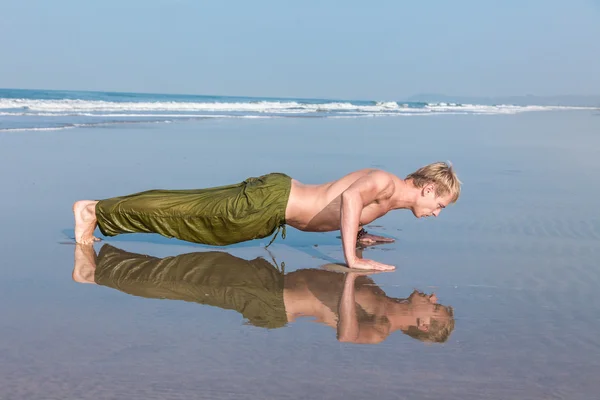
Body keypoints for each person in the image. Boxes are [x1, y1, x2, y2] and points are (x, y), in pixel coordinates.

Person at [73, 161, 461, 271]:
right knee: (188, 211)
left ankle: (106, 215)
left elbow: (350, 205)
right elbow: (350, 201)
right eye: (440, 205)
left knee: (194, 224)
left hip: (270, 210)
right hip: (270, 201)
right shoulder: (385, 182)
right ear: (429, 188)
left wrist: (360, 234)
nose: (436, 213)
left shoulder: (392, 195)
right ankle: (95, 210)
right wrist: (352, 259)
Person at [73, 243, 455, 344]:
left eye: (435, 309)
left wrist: (352, 286)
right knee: (195, 264)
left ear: (422, 323)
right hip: (270, 281)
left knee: (183, 282)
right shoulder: (383, 297)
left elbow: (343, 332)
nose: (433, 298)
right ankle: (109, 260)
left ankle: (96, 273)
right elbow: (327, 277)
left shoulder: (380, 329)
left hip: (268, 302)